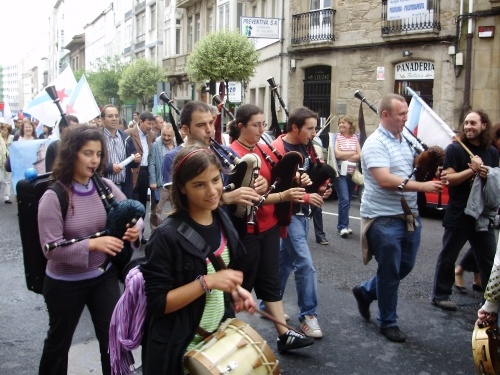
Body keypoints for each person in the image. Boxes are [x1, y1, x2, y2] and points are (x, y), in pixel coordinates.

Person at [140, 145, 256, 375]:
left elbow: (220, 270)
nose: (212, 191)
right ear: (182, 188)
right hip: (179, 349)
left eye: (215, 179)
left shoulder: (221, 217)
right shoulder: (165, 236)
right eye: (199, 185)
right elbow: (158, 303)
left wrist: (233, 290)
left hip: (216, 343)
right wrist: (208, 282)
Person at [37, 125, 142, 375]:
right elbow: (51, 249)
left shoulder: (105, 186)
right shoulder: (54, 196)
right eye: (87, 153)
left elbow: (133, 212)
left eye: (98, 153)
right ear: (72, 154)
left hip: (102, 277)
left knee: (114, 343)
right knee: (58, 344)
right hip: (64, 282)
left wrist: (136, 229)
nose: (94, 160)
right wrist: (93, 244)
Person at [351, 94, 442, 342]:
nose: (405, 118)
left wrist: (428, 166)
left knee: (405, 266)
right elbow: (384, 180)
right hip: (383, 219)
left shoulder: (406, 140)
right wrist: (424, 187)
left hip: (409, 215)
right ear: (385, 115)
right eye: (402, 114)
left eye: (405, 114)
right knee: (390, 272)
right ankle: (387, 322)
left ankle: (366, 291)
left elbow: (411, 168)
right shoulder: (374, 144)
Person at [229, 104, 314, 351]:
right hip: (246, 229)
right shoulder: (232, 154)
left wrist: (299, 178)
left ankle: (284, 334)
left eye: (263, 124)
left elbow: (280, 175)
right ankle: (225, 334)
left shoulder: (264, 148)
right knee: (241, 284)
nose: (261, 129)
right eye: (256, 125)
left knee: (270, 279)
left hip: (268, 225)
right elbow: (249, 198)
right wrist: (283, 195)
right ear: (240, 126)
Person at [271, 106, 332, 338]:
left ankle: (271, 300)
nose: (314, 133)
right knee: (305, 263)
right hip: (287, 214)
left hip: (302, 213)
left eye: (315, 128)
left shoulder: (308, 148)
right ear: (295, 127)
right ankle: (308, 315)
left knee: (285, 261)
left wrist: (321, 189)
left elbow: (312, 180)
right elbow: (275, 185)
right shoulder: (277, 149)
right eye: (310, 128)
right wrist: (306, 193)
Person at [431, 109, 499, 311]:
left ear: (483, 126)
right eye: (466, 123)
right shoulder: (455, 149)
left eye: (473, 123)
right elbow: (448, 180)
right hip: (459, 212)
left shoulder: (492, 152)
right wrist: (473, 170)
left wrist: (489, 174)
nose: (468, 126)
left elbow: (495, 180)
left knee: (488, 258)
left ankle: (491, 301)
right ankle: (440, 295)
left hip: (482, 214)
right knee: (448, 256)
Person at [101, 105, 140, 199]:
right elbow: (94, 164)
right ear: (102, 120)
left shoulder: (125, 137)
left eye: (116, 116)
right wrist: (110, 167)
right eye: (110, 116)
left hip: (124, 187)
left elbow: (132, 161)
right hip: (105, 188)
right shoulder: (98, 138)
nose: (114, 119)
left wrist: (136, 160)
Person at [334, 115, 361, 238]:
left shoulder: (355, 137)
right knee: (344, 199)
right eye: (340, 123)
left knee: (348, 200)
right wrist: (352, 153)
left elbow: (359, 155)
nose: (341, 125)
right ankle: (342, 227)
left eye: (343, 123)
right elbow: (338, 154)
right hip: (340, 173)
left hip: (352, 173)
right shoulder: (337, 137)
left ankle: (344, 224)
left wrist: (347, 155)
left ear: (350, 125)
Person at [125, 112, 156, 218]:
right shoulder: (128, 133)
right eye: (148, 123)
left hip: (145, 172)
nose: (150, 127)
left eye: (152, 124)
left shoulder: (152, 135)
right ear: (141, 121)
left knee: (143, 202)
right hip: (133, 171)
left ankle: (141, 229)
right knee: (133, 202)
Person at [148, 123, 175, 231]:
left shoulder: (179, 144)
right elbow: (152, 163)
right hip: (161, 183)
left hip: (175, 183)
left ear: (173, 135)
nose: (166, 138)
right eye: (164, 135)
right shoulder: (156, 145)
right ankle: (155, 232)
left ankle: (174, 233)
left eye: (169, 136)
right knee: (156, 211)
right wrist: (153, 181)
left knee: (177, 209)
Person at [0, 123, 13, 203]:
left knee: (8, 179)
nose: (2, 131)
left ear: (8, 131)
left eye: (5, 130)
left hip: (9, 161)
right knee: (1, 179)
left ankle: (7, 196)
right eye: (1, 129)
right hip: (1, 161)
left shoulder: (11, 138)